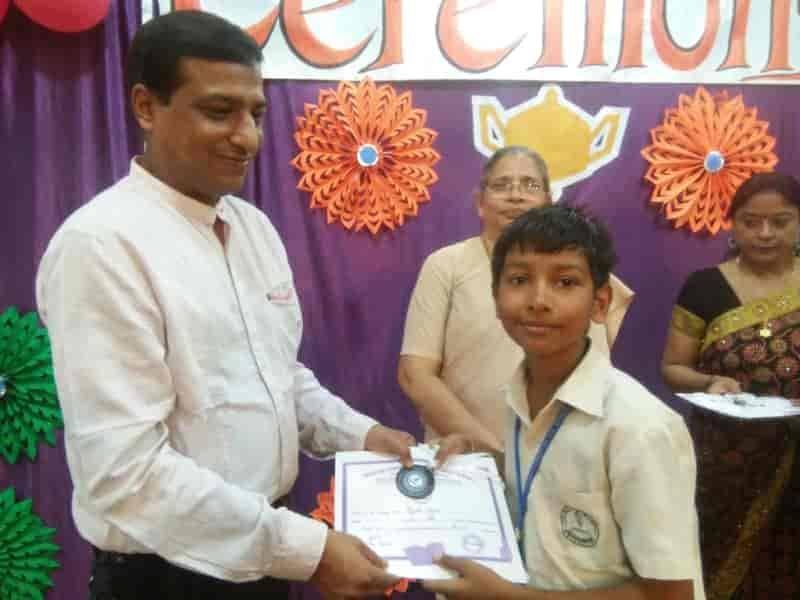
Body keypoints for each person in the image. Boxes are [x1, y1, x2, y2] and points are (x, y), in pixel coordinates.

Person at [35, 11, 466, 600]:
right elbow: (126, 474)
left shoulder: (253, 228)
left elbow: (277, 376)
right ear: (145, 107)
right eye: (219, 112)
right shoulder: (102, 246)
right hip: (166, 575)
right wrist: (309, 550)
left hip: (264, 554)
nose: (248, 138)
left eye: (256, 114)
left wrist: (365, 436)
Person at [425, 205, 704, 600]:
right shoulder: (519, 393)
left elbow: (670, 595)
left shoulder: (639, 427)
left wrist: (509, 598)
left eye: (565, 282)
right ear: (495, 296)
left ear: (600, 303)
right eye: (519, 280)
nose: (538, 300)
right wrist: (479, 464)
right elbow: (548, 482)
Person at [399, 146, 634, 452]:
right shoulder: (447, 265)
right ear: (480, 203)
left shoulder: (581, 272)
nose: (516, 196)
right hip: (466, 459)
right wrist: (493, 454)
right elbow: (415, 375)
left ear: (549, 201)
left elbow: (596, 375)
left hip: (565, 459)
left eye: (529, 185)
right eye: (501, 185)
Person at [661, 172, 800, 600]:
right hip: (722, 460)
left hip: (795, 462)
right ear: (733, 225)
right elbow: (673, 368)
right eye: (751, 222)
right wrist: (710, 381)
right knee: (715, 567)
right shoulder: (705, 286)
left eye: (780, 221)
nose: (765, 233)